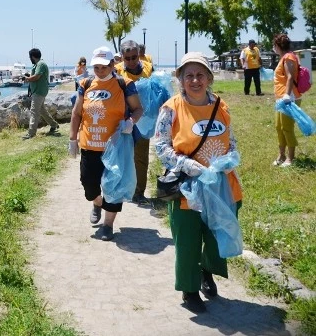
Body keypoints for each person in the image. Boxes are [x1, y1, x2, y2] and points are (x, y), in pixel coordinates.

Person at [154, 52, 243, 313]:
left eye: (200, 74)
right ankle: (189, 290)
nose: (195, 80)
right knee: (188, 240)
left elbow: (232, 140)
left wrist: (229, 159)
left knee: (217, 236)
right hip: (187, 189)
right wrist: (186, 164)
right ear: (180, 79)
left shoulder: (221, 106)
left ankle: (206, 270)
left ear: (209, 78)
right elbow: (160, 145)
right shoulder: (170, 108)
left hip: (221, 186)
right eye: (189, 75)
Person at [69, 46, 143, 241]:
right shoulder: (85, 84)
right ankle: (97, 202)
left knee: (114, 188)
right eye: (96, 67)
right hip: (89, 146)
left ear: (112, 64)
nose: (100, 70)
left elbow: (138, 109)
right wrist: (72, 139)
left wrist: (130, 122)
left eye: (104, 66)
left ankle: (108, 225)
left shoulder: (124, 84)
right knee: (88, 185)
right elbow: (77, 113)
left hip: (115, 147)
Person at [115, 40, 153, 205]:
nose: (131, 61)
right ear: (122, 57)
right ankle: (119, 189)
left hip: (143, 120)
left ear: (139, 55)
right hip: (122, 119)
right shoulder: (116, 71)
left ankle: (139, 192)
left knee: (141, 157)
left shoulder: (148, 68)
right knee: (120, 155)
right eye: (127, 58)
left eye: (134, 57)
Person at [272, 33, 302, 167]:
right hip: (281, 98)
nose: (273, 48)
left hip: (289, 98)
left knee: (287, 128)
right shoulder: (283, 57)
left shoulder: (288, 57)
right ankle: (281, 155)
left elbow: (290, 77)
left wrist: (287, 95)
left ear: (278, 45)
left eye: (274, 45)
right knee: (279, 127)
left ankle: (290, 158)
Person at [23, 48, 59, 139]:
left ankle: (31, 133)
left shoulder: (41, 64)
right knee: (42, 110)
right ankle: (54, 125)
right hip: (38, 91)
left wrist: (27, 79)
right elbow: (35, 77)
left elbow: (36, 77)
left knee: (34, 111)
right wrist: (29, 77)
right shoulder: (38, 64)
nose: (29, 59)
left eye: (30, 57)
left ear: (32, 56)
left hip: (39, 92)